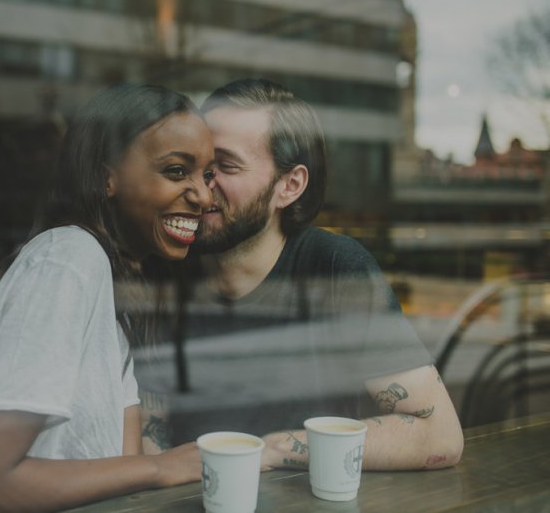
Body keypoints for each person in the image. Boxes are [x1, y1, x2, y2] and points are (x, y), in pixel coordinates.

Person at [0, 84, 214, 512]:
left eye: (206, 175)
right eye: (176, 171)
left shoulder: (109, 283)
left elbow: (117, 467)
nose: (204, 196)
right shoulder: (67, 260)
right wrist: (163, 468)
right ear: (105, 176)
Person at [167, 78, 463, 471]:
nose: (202, 186)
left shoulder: (335, 269)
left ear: (289, 186)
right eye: (197, 164)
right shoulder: (162, 267)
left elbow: (438, 435)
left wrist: (269, 451)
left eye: (225, 165)